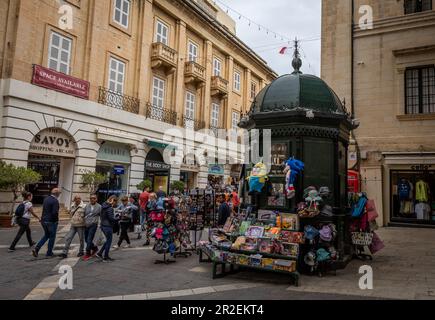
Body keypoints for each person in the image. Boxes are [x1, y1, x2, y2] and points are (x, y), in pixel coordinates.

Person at [32, 188, 61, 258]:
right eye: (59, 193)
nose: (60, 194)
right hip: (51, 221)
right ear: (57, 194)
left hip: (44, 220)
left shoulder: (46, 199)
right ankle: (49, 253)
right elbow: (54, 213)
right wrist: (56, 221)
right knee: (52, 237)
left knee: (47, 235)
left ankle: (37, 249)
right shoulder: (55, 201)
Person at [96, 195, 118, 262]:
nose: (115, 203)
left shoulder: (103, 205)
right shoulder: (110, 208)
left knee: (106, 241)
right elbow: (111, 218)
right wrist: (117, 218)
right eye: (115, 201)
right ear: (112, 200)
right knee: (109, 241)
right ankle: (106, 257)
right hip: (108, 226)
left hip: (103, 225)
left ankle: (100, 253)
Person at [83, 194, 102, 261]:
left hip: (93, 225)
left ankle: (88, 253)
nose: (92, 199)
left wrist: (101, 224)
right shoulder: (86, 206)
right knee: (86, 239)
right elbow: (83, 214)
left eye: (94, 198)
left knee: (89, 239)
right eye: (91, 198)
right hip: (86, 225)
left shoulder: (99, 206)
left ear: (96, 199)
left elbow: (101, 216)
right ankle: (94, 248)